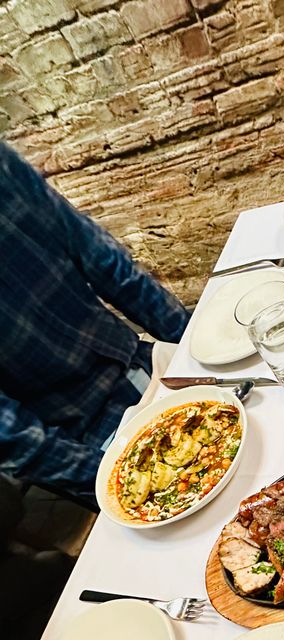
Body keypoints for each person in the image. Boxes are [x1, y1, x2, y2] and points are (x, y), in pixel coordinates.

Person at [0, 141, 190, 505]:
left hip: (146, 361)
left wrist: (192, 345)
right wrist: (112, 482)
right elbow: (11, 434)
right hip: (93, 439)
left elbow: (100, 257)